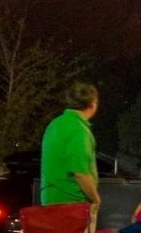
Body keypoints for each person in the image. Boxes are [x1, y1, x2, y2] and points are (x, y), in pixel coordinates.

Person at [40, 82, 101, 210]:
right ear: (93, 103)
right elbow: (81, 173)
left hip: (49, 200)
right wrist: (96, 199)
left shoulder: (55, 124)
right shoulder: (79, 130)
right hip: (71, 203)